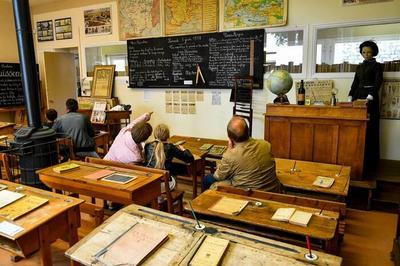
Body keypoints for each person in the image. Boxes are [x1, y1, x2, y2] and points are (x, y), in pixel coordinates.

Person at [203, 116, 281, 192]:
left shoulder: (230, 155)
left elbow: (218, 176)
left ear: (230, 138)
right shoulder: (266, 144)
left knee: (208, 179)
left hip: (250, 193)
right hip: (272, 190)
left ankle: (205, 202)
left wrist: (229, 151)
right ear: (248, 131)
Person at [349, 40, 383, 172]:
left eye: (369, 52)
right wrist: (350, 95)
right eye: (364, 52)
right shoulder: (359, 66)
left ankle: (371, 160)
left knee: (370, 127)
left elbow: (378, 82)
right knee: (358, 126)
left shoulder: (377, 66)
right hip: (358, 95)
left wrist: (371, 96)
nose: (366, 54)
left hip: (371, 98)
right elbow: (355, 82)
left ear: (374, 52)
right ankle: (358, 158)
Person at [144, 124, 194, 190]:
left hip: (149, 182)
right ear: (168, 136)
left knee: (171, 167)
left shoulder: (148, 145)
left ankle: (159, 199)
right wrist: (184, 149)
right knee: (173, 170)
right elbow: (190, 158)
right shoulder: (170, 147)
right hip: (164, 185)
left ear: (154, 134)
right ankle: (174, 198)